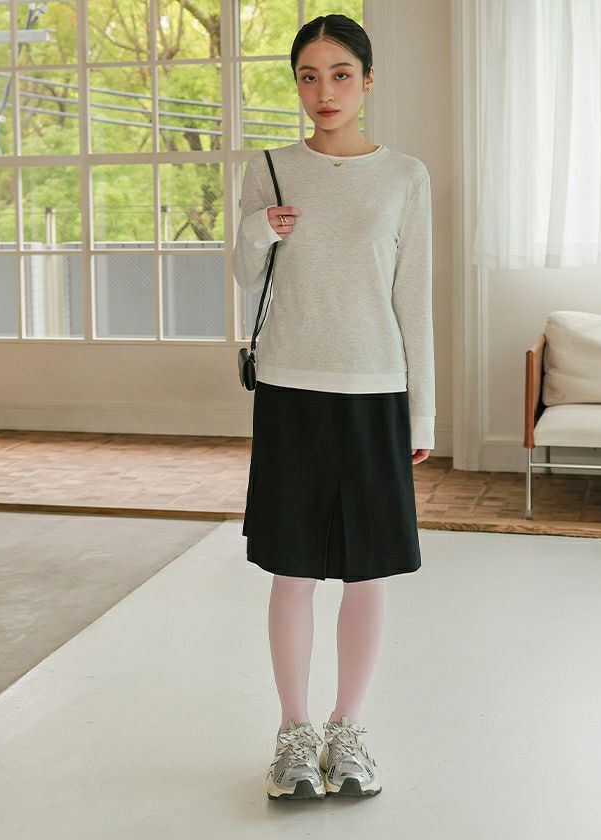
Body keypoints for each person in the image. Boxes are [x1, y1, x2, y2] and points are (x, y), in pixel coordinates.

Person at [232, 13, 435, 801]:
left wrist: (423, 414)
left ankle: (348, 730)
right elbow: (246, 274)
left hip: (375, 390)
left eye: (341, 74)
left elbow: (413, 299)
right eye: (309, 76)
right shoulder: (271, 169)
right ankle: (294, 734)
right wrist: (259, 228)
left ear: (368, 80)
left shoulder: (405, 176)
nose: (325, 91)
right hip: (290, 386)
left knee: (366, 570)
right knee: (291, 569)